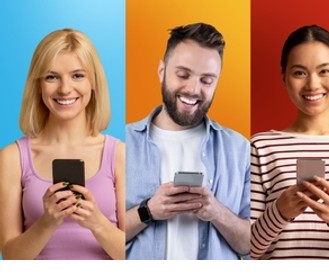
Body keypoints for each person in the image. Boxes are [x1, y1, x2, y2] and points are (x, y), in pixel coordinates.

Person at [124, 23, 251, 260]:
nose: (193, 89)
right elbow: (99, 237)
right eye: (183, 75)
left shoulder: (240, 149)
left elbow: (253, 244)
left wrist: (217, 213)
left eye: (207, 80)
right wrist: (148, 210)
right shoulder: (121, 146)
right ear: (162, 71)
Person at [249, 25, 329, 260]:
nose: (312, 85)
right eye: (299, 73)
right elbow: (249, 250)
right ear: (284, 77)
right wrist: (280, 212)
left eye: (324, 71)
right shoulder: (261, 146)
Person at [0, 28, 125, 260]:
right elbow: (10, 258)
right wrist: (47, 223)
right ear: (38, 85)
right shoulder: (12, 157)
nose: (65, 89)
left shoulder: (119, 155)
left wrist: (97, 223)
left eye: (78, 75)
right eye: (51, 76)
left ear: (93, 82)